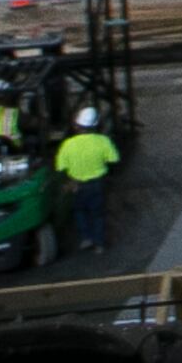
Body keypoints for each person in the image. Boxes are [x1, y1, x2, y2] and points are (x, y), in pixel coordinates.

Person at [54, 106, 120, 254]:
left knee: (79, 211)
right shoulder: (103, 141)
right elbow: (114, 159)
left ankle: (86, 237)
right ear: (96, 125)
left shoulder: (68, 145)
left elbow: (60, 168)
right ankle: (99, 243)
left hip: (77, 185)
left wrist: (68, 183)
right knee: (98, 214)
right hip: (97, 183)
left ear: (77, 125)